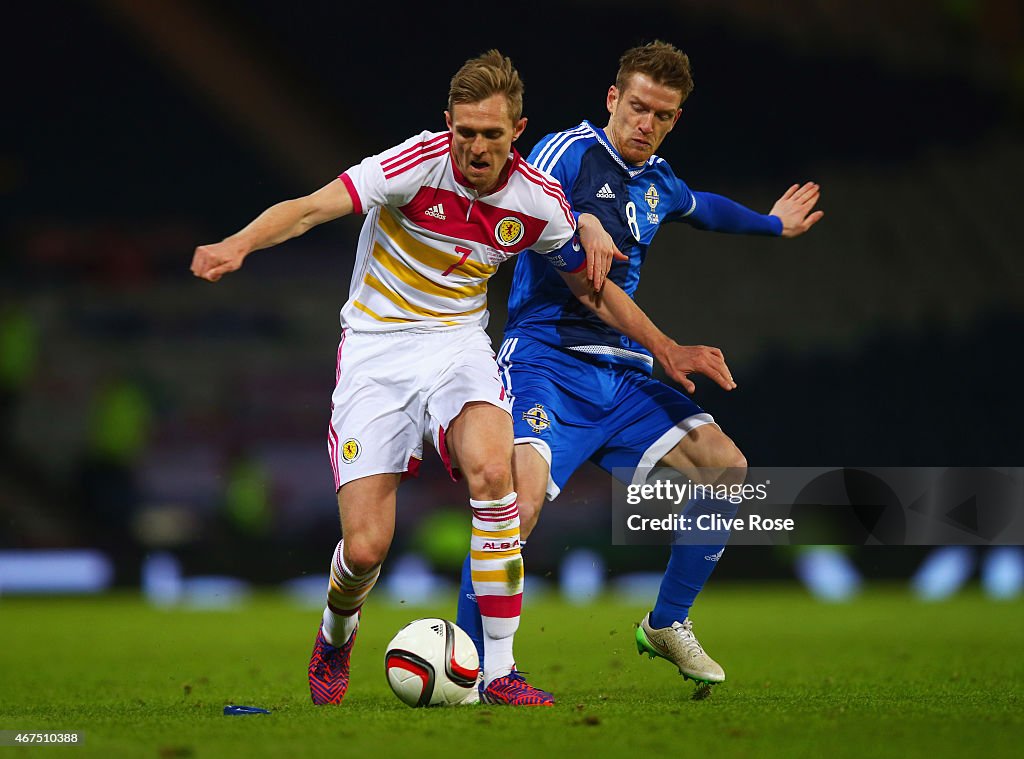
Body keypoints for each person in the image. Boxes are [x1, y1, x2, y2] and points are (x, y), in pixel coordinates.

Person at [190, 50, 701, 707]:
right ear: (448, 125)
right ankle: (335, 634)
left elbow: (591, 287)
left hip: (458, 345)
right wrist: (239, 244)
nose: (476, 147)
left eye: (491, 134)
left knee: (497, 477)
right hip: (376, 353)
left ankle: (500, 671)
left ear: (517, 133)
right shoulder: (413, 165)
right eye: (465, 132)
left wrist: (663, 345)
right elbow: (313, 207)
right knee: (366, 548)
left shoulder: (538, 201)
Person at [456, 40, 823, 689]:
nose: (644, 123)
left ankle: (667, 621)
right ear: (612, 99)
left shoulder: (657, 180)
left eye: (661, 113)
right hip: (548, 360)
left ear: (675, 118)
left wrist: (770, 223)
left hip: (621, 377)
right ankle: (469, 662)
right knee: (517, 503)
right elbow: (528, 201)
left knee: (724, 465)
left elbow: (700, 206)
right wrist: (580, 225)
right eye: (636, 107)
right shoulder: (567, 152)